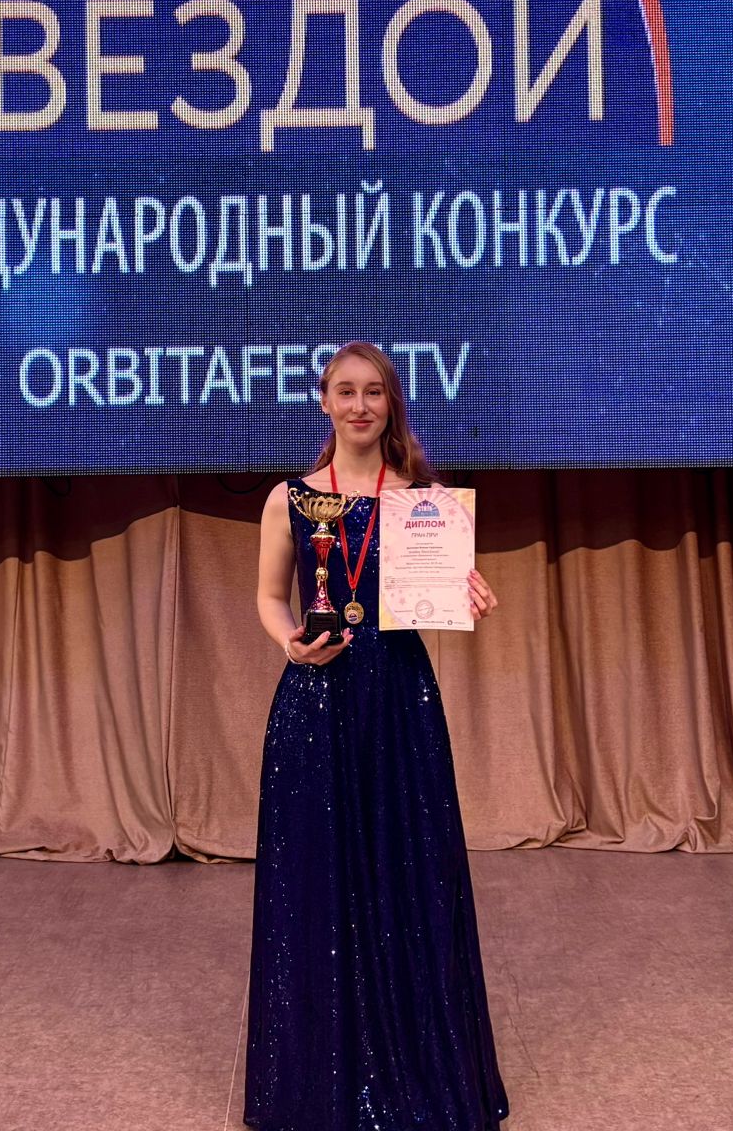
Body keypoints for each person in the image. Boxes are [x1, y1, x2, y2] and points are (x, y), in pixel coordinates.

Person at [244, 341, 509, 1131]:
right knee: (316, 887)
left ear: (391, 404)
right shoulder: (289, 498)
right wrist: (291, 643)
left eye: (374, 392)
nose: (359, 406)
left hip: (399, 705)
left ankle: (415, 1071)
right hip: (314, 706)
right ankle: (317, 1082)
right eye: (345, 391)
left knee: (409, 879)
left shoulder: (426, 502)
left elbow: (436, 594)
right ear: (323, 401)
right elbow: (269, 597)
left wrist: (466, 587)